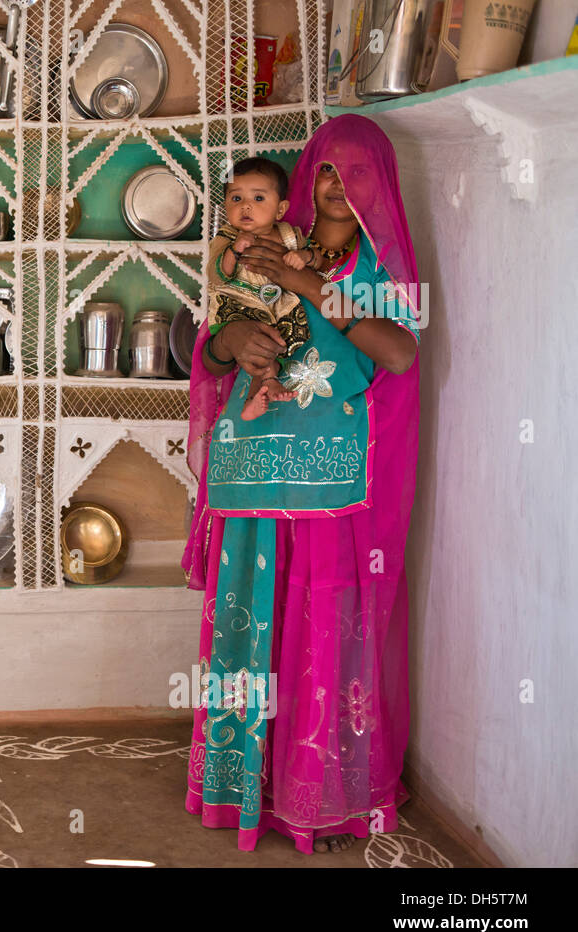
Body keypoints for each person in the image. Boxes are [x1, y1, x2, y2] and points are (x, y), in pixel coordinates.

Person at [182, 114, 423, 854]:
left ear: (377, 186)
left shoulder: (379, 267)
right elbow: (212, 343)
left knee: (324, 631)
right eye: (325, 169)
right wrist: (229, 339)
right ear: (306, 177)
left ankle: (320, 795)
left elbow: (400, 353)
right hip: (252, 466)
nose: (337, 186)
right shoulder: (255, 246)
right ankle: (236, 785)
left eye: (355, 174)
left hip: (330, 480)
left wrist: (306, 285)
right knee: (250, 624)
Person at [207, 156, 331, 420]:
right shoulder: (226, 237)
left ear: (280, 209)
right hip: (238, 307)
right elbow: (216, 276)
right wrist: (233, 252)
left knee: (282, 338)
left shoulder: (289, 235)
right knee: (256, 346)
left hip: (277, 308)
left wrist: (305, 257)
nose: (246, 206)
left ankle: (265, 386)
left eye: (259, 198)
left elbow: (318, 259)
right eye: (236, 198)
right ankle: (258, 390)